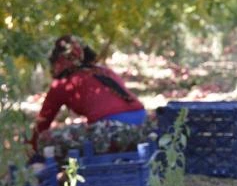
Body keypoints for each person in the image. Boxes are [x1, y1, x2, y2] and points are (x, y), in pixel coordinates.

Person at [31, 35, 151, 163]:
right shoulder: (104, 71)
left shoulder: (63, 83)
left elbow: (43, 123)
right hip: (143, 125)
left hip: (110, 130)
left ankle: (40, 170)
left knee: (46, 140)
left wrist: (33, 145)